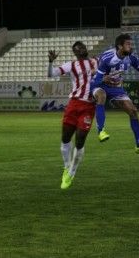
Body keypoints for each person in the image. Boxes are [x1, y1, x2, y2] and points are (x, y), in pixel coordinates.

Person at [91, 33, 139, 157]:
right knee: (102, 96)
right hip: (99, 85)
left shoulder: (130, 57)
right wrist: (103, 79)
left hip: (116, 88)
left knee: (133, 111)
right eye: (128, 44)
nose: (131, 46)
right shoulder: (107, 58)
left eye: (131, 44)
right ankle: (101, 131)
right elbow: (97, 79)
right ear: (120, 46)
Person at [48, 41, 97, 189]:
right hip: (74, 104)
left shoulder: (97, 61)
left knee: (80, 139)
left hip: (88, 106)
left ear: (85, 48)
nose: (81, 50)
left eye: (82, 47)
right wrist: (51, 62)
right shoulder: (71, 65)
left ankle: (72, 173)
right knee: (65, 137)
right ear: (75, 53)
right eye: (77, 49)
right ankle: (66, 167)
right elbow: (51, 74)